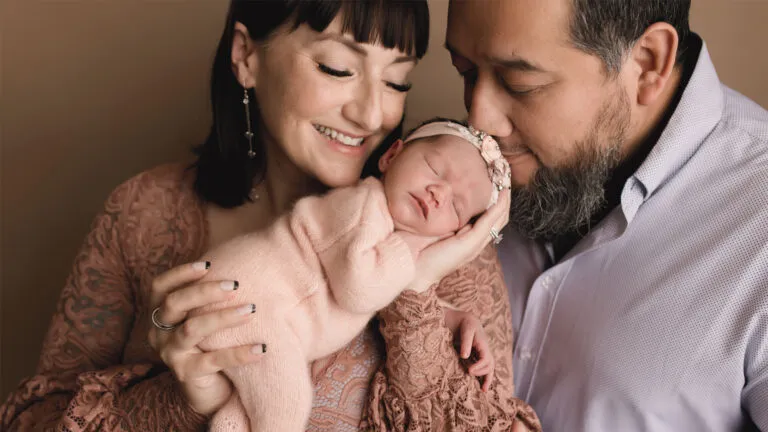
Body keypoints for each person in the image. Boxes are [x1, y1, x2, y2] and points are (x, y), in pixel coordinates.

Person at [0, 1, 540, 431]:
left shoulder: (449, 246)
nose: (373, 114)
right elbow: (34, 421)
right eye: (337, 68)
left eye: (398, 81)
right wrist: (182, 401)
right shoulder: (142, 214)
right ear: (246, 56)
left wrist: (418, 295)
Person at [445, 0, 768, 430]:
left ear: (647, 64)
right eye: (465, 72)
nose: (478, 119)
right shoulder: (448, 167)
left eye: (518, 82)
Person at [196, 120, 511, 431]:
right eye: (434, 168)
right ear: (391, 156)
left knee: (246, 412)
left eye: (456, 206)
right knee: (287, 403)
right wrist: (417, 250)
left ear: (455, 232)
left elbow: (385, 294)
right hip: (246, 298)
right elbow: (359, 289)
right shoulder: (361, 207)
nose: (438, 194)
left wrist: (449, 317)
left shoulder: (386, 237)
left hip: (266, 312)